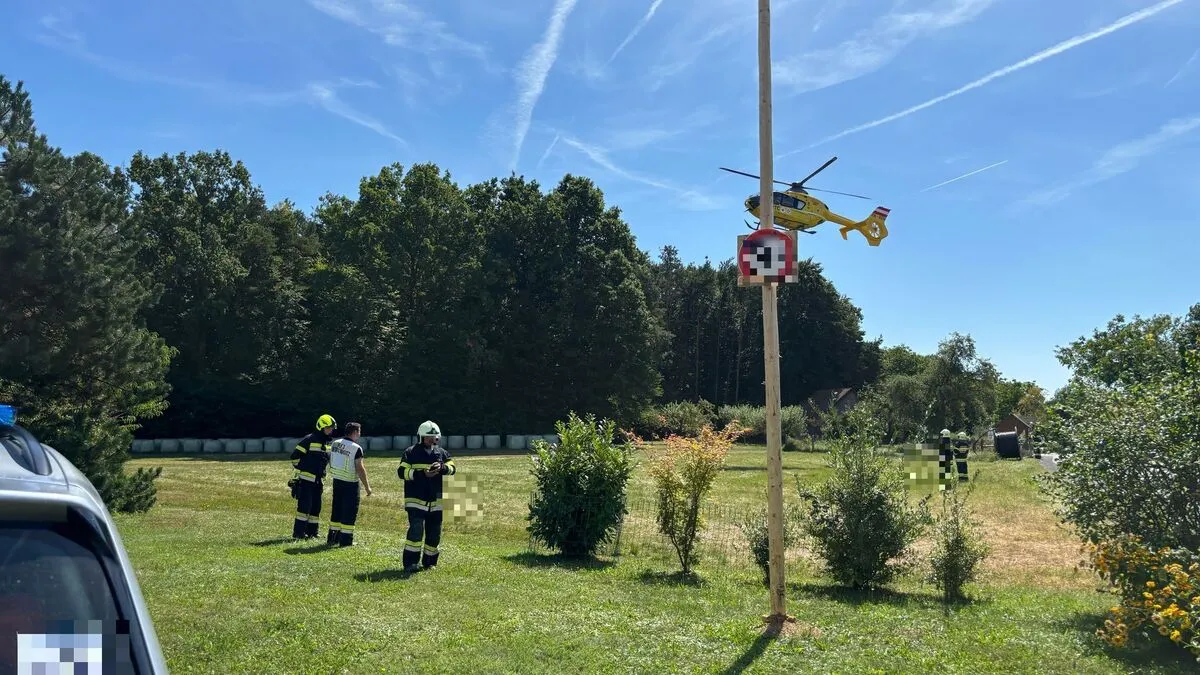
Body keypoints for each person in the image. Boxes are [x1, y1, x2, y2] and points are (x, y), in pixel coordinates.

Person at [397, 420, 456, 572]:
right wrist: (421, 474)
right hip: (416, 500)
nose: (432, 440)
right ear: (421, 437)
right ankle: (410, 563)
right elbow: (401, 472)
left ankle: (430, 562)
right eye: (429, 437)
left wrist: (442, 467)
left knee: (434, 533)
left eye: (435, 437)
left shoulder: (441, 453)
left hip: (437, 502)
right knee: (416, 532)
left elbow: (453, 468)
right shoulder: (410, 453)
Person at [289, 413, 336, 540]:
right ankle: (298, 533)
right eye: (328, 428)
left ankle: (312, 533)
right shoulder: (309, 439)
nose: (330, 430)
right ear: (321, 427)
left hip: (318, 481)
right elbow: (294, 457)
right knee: (304, 508)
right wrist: (303, 468)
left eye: (331, 428)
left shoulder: (326, 443)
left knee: (316, 508)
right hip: (306, 480)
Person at [327, 422, 372, 547]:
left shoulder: (335, 443)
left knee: (336, 509)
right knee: (349, 512)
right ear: (355, 432)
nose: (360, 434)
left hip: (337, 481)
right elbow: (360, 468)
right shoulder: (356, 448)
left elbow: (331, 459)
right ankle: (345, 540)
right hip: (350, 483)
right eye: (359, 431)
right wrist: (367, 487)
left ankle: (332, 537)